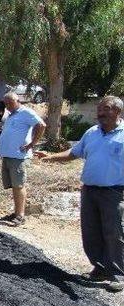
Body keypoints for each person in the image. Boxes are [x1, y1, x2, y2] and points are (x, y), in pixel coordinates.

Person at [35, 96, 124, 292]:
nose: (100, 113)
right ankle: (99, 268)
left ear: (117, 112)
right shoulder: (92, 133)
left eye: (106, 109)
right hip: (89, 191)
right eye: (99, 109)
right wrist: (50, 157)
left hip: (114, 192)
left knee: (113, 233)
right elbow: (74, 153)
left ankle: (118, 274)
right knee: (90, 231)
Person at [0, 92, 46, 226]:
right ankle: (16, 212)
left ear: (18, 101)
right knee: (14, 185)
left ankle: (20, 216)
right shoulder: (11, 115)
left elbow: (41, 125)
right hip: (8, 155)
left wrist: (32, 144)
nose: (7, 106)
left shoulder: (26, 112)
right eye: (5, 104)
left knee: (19, 185)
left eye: (10, 103)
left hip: (18, 156)